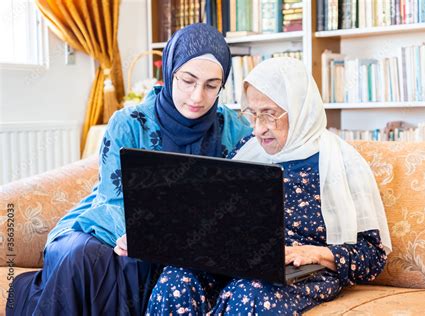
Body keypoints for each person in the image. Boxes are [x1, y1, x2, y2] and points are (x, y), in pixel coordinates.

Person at [7, 23, 252, 316]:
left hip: (187, 237)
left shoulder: (235, 129)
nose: (197, 96)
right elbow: (113, 199)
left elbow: (243, 199)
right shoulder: (129, 122)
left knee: (148, 262)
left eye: (211, 85)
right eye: (188, 80)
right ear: (170, 71)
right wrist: (141, 234)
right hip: (112, 221)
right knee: (86, 256)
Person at [145, 57, 392, 315]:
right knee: (175, 279)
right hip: (236, 262)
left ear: (299, 109)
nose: (259, 129)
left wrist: (317, 254)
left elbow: (373, 257)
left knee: (248, 293)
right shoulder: (245, 153)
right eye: (253, 114)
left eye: (270, 114)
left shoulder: (342, 162)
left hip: (301, 271)